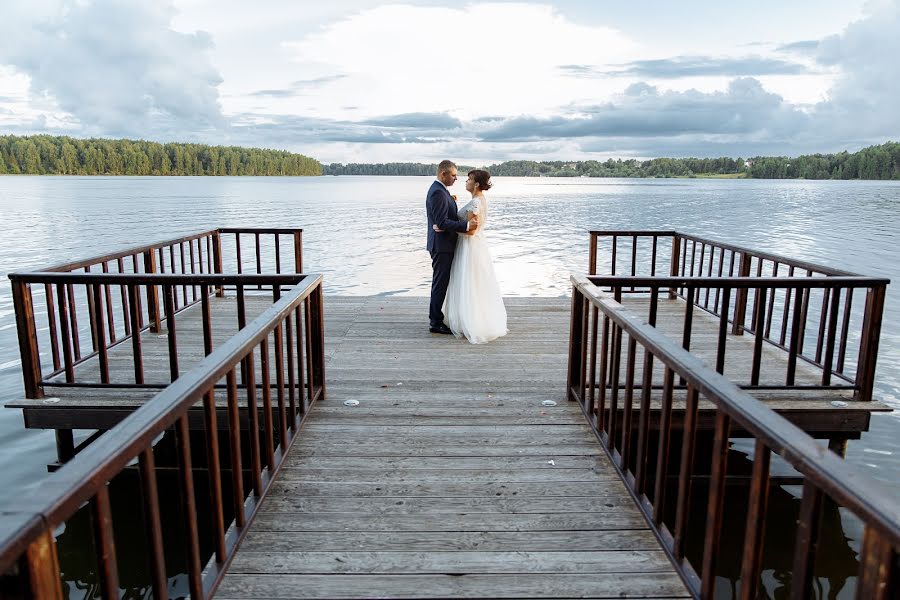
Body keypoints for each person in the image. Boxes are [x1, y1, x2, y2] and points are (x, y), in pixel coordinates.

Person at [438, 169, 508, 344]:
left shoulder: (476, 202)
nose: (465, 181)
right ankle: (473, 318)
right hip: (476, 247)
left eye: (469, 179)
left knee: (468, 282)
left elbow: (471, 231)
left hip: (469, 246)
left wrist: (445, 227)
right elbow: (467, 223)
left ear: (476, 184)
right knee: (474, 283)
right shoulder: (478, 200)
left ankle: (469, 322)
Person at [425, 160, 477, 334]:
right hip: (441, 246)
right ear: (443, 174)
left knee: (441, 282)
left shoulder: (441, 191)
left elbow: (442, 219)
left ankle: (436, 319)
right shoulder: (438, 192)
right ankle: (435, 322)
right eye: (453, 175)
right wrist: (467, 226)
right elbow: (441, 221)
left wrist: (451, 203)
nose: (456, 178)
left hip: (443, 243)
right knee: (440, 283)